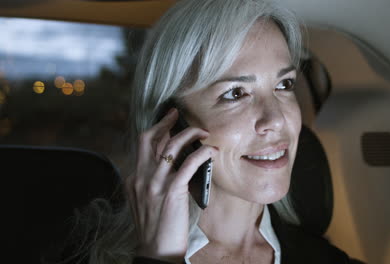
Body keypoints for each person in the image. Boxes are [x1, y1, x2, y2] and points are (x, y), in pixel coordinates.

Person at [71, 0, 352, 263]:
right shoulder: (86, 256)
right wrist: (159, 256)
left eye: (284, 85)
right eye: (236, 93)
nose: (276, 119)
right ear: (169, 125)